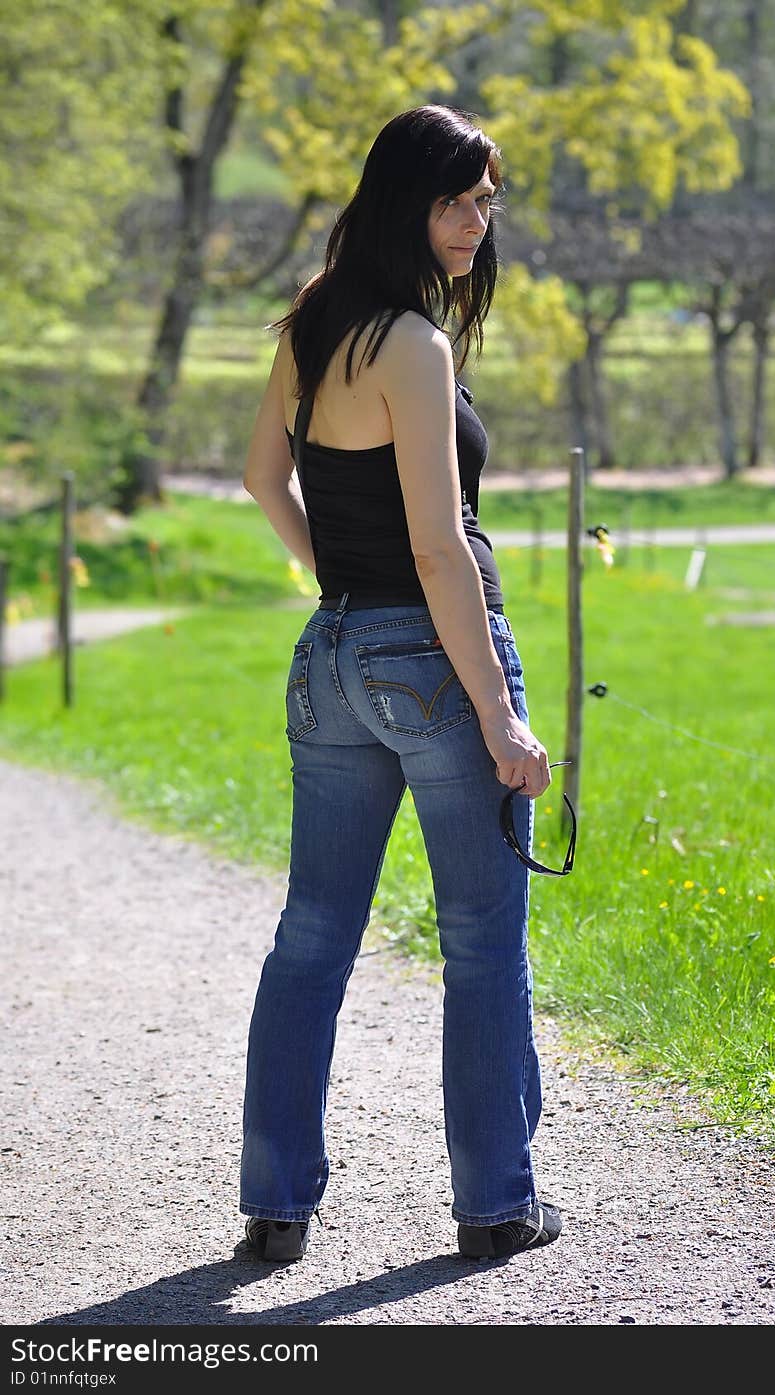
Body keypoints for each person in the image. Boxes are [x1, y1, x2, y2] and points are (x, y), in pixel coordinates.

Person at [238, 104, 562, 1264]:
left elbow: (260, 476)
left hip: (329, 661)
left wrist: (337, 583)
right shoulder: (413, 349)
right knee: (482, 938)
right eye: (455, 200)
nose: (478, 220)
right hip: (430, 661)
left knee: (311, 933)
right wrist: (500, 713)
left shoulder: (313, 325)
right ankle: (494, 1207)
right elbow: (437, 550)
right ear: (405, 202)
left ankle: (274, 1202)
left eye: (486, 200)